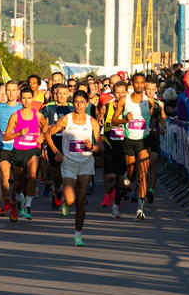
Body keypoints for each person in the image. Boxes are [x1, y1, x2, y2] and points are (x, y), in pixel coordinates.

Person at [44, 90, 103, 246]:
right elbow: (48, 134)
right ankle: (64, 200)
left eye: (82, 102)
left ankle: (78, 234)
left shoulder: (93, 122)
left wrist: (93, 147)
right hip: (69, 162)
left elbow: (101, 147)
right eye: (76, 102)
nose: (79, 105)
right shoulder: (66, 120)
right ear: (73, 102)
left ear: (86, 104)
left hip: (86, 162)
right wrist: (57, 152)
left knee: (81, 200)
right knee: (71, 199)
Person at [111, 72, 153, 221]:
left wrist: (155, 127)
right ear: (132, 84)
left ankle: (140, 210)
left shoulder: (149, 101)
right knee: (132, 174)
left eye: (142, 82)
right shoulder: (124, 100)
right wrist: (124, 120)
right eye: (137, 82)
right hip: (129, 140)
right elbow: (113, 121)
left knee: (142, 174)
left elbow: (153, 117)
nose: (140, 85)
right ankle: (126, 178)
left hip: (144, 140)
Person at [3, 86, 48, 221]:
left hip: (33, 150)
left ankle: (28, 206)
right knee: (18, 182)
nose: (26, 101)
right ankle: (18, 201)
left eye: (29, 98)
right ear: (20, 99)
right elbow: (6, 136)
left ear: (32, 99)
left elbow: (45, 127)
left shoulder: (38, 115)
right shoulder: (15, 116)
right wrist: (19, 133)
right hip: (18, 151)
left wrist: (42, 136)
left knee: (33, 176)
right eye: (24, 98)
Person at [0, 81, 21, 216]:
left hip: (19, 147)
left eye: (13, 90)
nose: (10, 93)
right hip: (4, 146)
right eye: (8, 90)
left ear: (18, 92)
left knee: (17, 179)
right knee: (4, 174)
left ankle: (14, 203)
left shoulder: (23, 107)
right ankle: (7, 201)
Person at [40, 83, 73, 209]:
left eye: (64, 94)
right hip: (53, 142)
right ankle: (57, 189)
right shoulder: (48, 107)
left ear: (68, 94)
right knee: (56, 172)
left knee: (67, 171)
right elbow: (41, 124)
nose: (62, 96)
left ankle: (64, 195)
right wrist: (43, 139)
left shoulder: (72, 107)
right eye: (59, 93)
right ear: (55, 94)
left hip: (68, 143)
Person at [101, 80, 127, 218]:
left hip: (123, 145)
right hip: (109, 144)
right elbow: (99, 121)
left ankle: (116, 206)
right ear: (113, 93)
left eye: (123, 92)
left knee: (120, 178)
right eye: (117, 92)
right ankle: (110, 193)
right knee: (110, 177)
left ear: (127, 93)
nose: (120, 94)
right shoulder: (106, 107)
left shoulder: (129, 107)